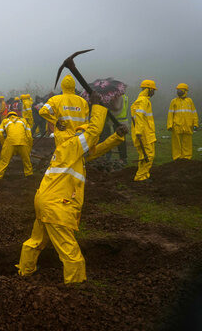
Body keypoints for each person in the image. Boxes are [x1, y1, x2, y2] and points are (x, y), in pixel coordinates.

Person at [17, 91, 128, 284]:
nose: (86, 141)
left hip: (44, 201)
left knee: (35, 242)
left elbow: (94, 151)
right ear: (78, 135)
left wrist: (116, 138)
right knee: (70, 251)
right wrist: (98, 106)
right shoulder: (71, 146)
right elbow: (93, 133)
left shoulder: (71, 151)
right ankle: (76, 287)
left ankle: (25, 272)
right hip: (56, 206)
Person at [39, 75, 89, 146]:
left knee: (63, 156)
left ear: (62, 86)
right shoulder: (83, 102)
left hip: (62, 140)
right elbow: (86, 123)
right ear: (74, 86)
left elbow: (42, 111)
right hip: (79, 139)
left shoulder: (55, 100)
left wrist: (56, 122)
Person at [0, 111, 33, 179]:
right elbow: (29, 137)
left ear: (8, 116)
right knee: (27, 161)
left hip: (10, 142)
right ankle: (29, 175)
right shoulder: (23, 121)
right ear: (16, 115)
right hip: (23, 142)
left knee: (4, 162)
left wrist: (4, 144)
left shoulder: (5, 121)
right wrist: (29, 148)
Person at [131, 79, 157, 181]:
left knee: (144, 155)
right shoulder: (143, 101)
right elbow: (140, 116)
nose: (154, 92)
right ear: (149, 89)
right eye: (153, 90)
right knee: (149, 155)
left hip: (144, 132)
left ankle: (143, 175)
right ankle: (141, 176)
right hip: (144, 133)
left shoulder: (141, 100)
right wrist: (139, 132)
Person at [167, 83, 198, 160]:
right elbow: (170, 114)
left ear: (185, 91)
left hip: (188, 125)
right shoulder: (174, 101)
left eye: (180, 90)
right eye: (177, 90)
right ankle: (177, 157)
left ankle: (186, 157)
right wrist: (170, 125)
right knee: (176, 143)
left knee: (187, 142)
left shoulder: (190, 101)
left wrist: (195, 124)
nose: (178, 91)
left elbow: (194, 113)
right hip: (177, 125)